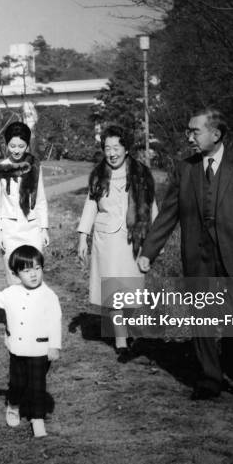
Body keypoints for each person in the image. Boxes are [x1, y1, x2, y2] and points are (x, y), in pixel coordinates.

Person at [138, 108, 233, 400]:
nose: (189, 137)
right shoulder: (185, 168)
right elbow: (168, 214)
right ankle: (209, 378)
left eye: (194, 131)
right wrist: (149, 252)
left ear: (216, 134)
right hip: (198, 256)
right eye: (189, 131)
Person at [77, 125, 158, 362]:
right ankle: (121, 341)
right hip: (107, 240)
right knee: (113, 294)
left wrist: (155, 241)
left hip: (135, 240)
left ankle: (128, 331)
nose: (111, 153)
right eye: (107, 148)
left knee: (132, 292)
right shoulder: (99, 174)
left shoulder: (141, 173)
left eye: (116, 147)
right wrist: (83, 236)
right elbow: (90, 205)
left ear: (126, 148)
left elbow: (152, 206)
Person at [0, 245, 61, 438]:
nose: (33, 274)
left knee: (37, 385)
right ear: (15, 274)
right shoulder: (11, 293)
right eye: (26, 270)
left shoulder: (49, 296)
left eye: (37, 268)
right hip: (17, 349)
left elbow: (55, 320)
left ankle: (37, 417)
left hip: (40, 349)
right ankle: (13, 405)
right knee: (17, 383)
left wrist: (54, 345)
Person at [0, 122, 48, 285]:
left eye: (21, 146)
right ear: (7, 145)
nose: (17, 150)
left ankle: (35, 310)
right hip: (10, 231)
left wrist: (44, 229)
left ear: (27, 145)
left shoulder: (34, 167)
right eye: (12, 146)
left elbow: (40, 200)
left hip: (32, 230)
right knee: (14, 277)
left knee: (34, 277)